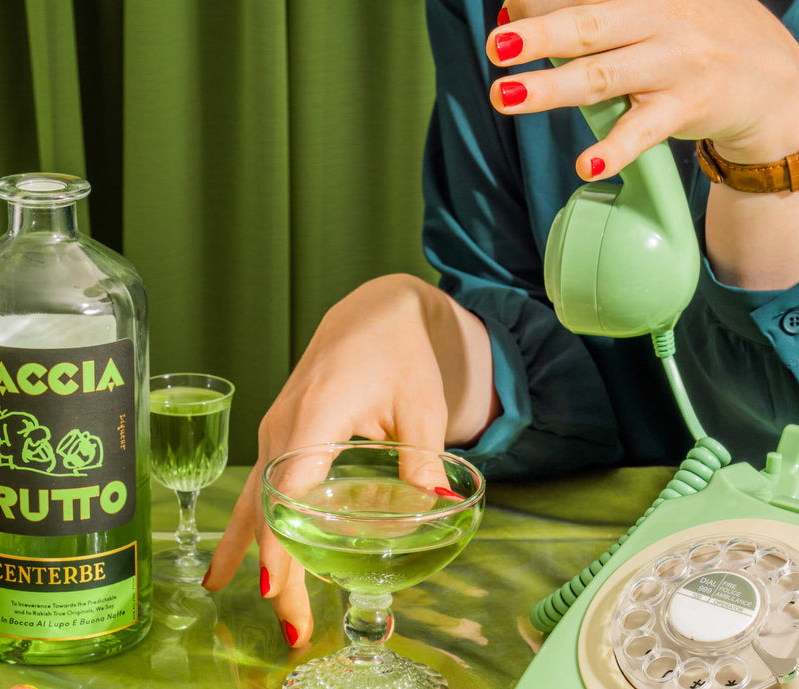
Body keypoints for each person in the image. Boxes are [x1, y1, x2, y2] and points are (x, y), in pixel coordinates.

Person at [204, 0, 799, 648]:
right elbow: (549, 341)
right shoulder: (491, 12)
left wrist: (777, 139)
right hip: (607, 587)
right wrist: (429, 335)